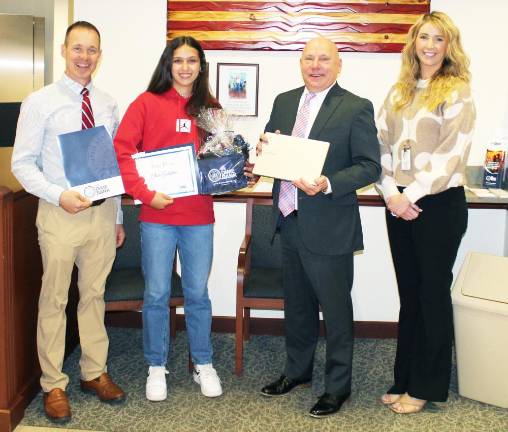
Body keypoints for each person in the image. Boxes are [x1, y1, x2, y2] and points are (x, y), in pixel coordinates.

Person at [255, 36, 381, 418]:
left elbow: (369, 165)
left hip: (330, 225)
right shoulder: (284, 101)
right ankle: (298, 372)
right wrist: (262, 152)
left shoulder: (356, 107)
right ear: (301, 62)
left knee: (336, 311)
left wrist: (327, 182)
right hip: (289, 220)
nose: (315, 65)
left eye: (324, 59)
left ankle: (337, 388)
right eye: (308, 58)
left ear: (338, 64)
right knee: (297, 307)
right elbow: (270, 149)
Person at [11, 21, 126, 423]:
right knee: (55, 299)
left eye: (92, 50)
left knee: (94, 295)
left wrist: (118, 216)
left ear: (100, 54)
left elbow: (110, 165)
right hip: (59, 213)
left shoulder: (109, 103)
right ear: (64, 50)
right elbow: (21, 163)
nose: (84, 57)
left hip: (101, 214)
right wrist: (58, 194)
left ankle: (94, 372)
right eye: (77, 48)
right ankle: (53, 384)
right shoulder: (39, 101)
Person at [113, 36, 223, 401]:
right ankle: (156, 366)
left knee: (197, 294)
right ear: (168, 64)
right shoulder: (145, 103)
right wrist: (145, 194)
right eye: (179, 60)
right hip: (156, 215)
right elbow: (123, 152)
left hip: (198, 217)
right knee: (157, 293)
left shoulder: (210, 108)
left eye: (193, 61)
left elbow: (219, 158)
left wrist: (236, 165)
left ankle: (202, 364)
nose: (186, 67)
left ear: (201, 66)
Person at [377, 11, 474, 414]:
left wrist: (409, 194)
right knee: (410, 296)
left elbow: (451, 153)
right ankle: (405, 378)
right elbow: (380, 143)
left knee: (432, 295)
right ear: (414, 42)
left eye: (439, 39)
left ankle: (427, 386)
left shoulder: (457, 91)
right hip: (398, 205)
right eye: (425, 38)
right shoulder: (399, 90)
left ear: (449, 47)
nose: (431, 46)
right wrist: (390, 194)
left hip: (436, 205)